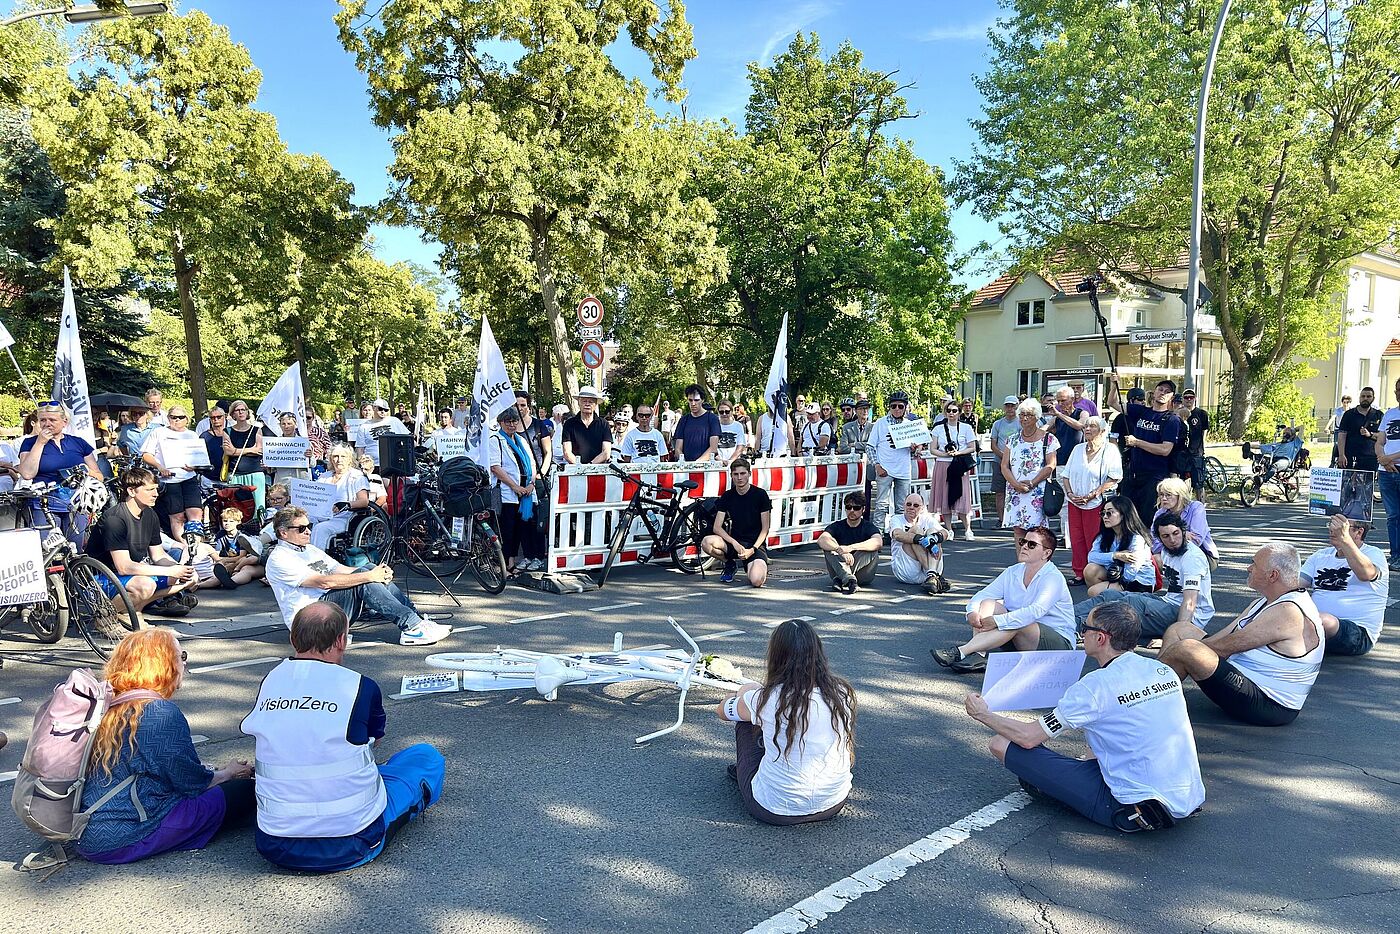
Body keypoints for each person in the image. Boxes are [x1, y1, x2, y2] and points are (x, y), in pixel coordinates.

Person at [963, 601, 1204, 834]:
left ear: (1101, 638)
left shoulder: (1095, 686)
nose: (1082, 633)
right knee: (1099, 737)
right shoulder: (1161, 671)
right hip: (1186, 797)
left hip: (1135, 810)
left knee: (1002, 743)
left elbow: (1028, 738)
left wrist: (983, 714)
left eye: (1085, 628)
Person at [241, 602, 445, 871]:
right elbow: (374, 740)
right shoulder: (360, 686)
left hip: (275, 844)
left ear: (293, 638)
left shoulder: (271, 680)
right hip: (351, 843)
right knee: (426, 757)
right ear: (341, 641)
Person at [76, 629, 255, 864]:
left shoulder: (109, 704)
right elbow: (191, 783)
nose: (185, 664)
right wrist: (229, 773)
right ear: (166, 664)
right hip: (127, 835)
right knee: (246, 791)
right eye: (182, 656)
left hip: (88, 831)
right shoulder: (158, 713)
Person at [1159, 543, 1323, 727]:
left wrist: (1183, 652)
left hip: (1270, 704)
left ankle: (1148, 698)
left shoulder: (1288, 611)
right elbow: (1222, 637)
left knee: (1185, 649)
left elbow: (1223, 648)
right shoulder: (1264, 602)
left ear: (1272, 575)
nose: (1248, 568)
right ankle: (1158, 690)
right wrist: (1188, 648)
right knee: (1180, 629)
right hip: (1246, 681)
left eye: (1254, 564)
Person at [714, 619, 854, 826]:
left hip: (773, 808)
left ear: (776, 656)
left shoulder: (769, 698)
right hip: (833, 802)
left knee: (745, 723)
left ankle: (745, 772)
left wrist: (744, 691)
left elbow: (722, 711)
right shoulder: (841, 692)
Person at [264, 507, 452, 645]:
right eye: (301, 528)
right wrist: (369, 576)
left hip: (328, 609)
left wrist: (378, 572)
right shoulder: (279, 558)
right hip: (309, 623)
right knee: (364, 577)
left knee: (368, 568)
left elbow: (341, 570)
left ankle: (417, 619)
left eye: (309, 526)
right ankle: (412, 627)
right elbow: (324, 582)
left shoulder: (309, 549)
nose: (309, 531)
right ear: (283, 533)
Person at [931, 526, 1075, 674]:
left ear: (1046, 553)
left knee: (1019, 620)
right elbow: (983, 594)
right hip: (1020, 638)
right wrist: (972, 612)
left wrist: (998, 621)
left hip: (1059, 647)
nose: (1024, 546)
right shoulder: (1013, 572)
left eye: (1031, 544)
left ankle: (961, 651)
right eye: (1023, 542)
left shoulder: (1053, 578)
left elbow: (1035, 611)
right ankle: (979, 655)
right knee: (987, 603)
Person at [1074, 512, 1215, 643]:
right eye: (1166, 536)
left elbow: (1190, 602)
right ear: (1160, 538)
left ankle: (1077, 628)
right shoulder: (1168, 551)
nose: (1172, 540)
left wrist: (1177, 636)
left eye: (1176, 533)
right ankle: (1065, 617)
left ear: (1184, 532)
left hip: (1191, 617)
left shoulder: (1192, 558)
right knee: (1109, 595)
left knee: (1131, 602)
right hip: (1169, 603)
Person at [86, 467, 198, 616]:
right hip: (101, 577)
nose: (156, 494)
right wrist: (169, 570)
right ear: (132, 491)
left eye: (156, 489)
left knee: (189, 579)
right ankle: (104, 616)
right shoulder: (115, 519)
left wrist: (181, 569)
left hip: (131, 574)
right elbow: (123, 567)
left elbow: (158, 555)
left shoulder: (150, 514)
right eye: (149, 490)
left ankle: (132, 610)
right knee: (146, 586)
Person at [1302, 514, 1387, 656]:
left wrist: (1345, 540)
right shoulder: (1320, 555)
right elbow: (1294, 585)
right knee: (1265, 605)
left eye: (1340, 526)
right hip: (1314, 624)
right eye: (1331, 524)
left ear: (1358, 532)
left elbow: (1366, 574)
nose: (1332, 530)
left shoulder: (1373, 554)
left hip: (1357, 633)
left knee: (1324, 621)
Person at [1107, 373, 1182, 527]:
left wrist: (1137, 442)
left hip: (1154, 477)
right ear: (1153, 392)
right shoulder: (1142, 411)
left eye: (1167, 392)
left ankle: (1149, 549)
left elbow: (1165, 449)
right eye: (1160, 389)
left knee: (1147, 518)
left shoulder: (1171, 419)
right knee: (1126, 516)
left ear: (1171, 397)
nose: (1163, 393)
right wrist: (1114, 384)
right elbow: (1113, 402)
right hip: (1133, 474)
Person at [16, 402, 104, 525]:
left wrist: (84, 471)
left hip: (76, 505)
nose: (47, 424)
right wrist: (40, 443)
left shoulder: (78, 443)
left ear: (64, 422)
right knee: (47, 543)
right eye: (43, 420)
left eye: (52, 420)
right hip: (44, 506)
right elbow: (27, 473)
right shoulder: (29, 443)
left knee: (75, 543)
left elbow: (99, 476)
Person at [1062, 416, 1122, 585]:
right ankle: (1079, 572)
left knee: (1094, 536)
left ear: (1102, 431)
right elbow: (1066, 475)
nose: (1087, 429)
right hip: (1075, 501)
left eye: (1092, 427)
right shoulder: (1077, 449)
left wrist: (1093, 494)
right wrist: (1070, 493)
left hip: (1097, 502)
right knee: (1076, 537)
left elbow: (1114, 477)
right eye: (1086, 426)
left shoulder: (1110, 450)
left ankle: (1095, 570)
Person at [701, 457, 771, 586]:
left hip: (755, 545)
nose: (739, 477)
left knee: (756, 581)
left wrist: (753, 549)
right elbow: (717, 527)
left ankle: (753, 565)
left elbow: (765, 529)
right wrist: (734, 543)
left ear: (749, 474)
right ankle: (729, 563)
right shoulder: (727, 496)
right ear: (731, 476)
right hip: (734, 543)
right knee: (707, 542)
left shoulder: (760, 495)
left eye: (743, 473)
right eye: (736, 474)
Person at [488, 407, 541, 574]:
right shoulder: (495, 439)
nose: (512, 424)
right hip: (507, 493)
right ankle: (507, 564)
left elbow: (532, 464)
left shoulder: (521, 440)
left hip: (525, 492)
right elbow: (495, 467)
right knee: (507, 530)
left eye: (514, 421)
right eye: (508, 421)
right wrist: (514, 486)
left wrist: (531, 484)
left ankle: (512, 561)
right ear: (500, 422)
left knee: (520, 529)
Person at [1001, 398, 1059, 548]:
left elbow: (1051, 465)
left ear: (1037, 417)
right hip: (1015, 490)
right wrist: (1015, 484)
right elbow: (1004, 466)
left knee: (1037, 532)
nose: (1024, 418)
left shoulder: (1048, 438)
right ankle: (1022, 565)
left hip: (1037, 491)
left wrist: (1033, 482)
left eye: (1029, 415)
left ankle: (1037, 564)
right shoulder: (1012, 439)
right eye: (1021, 414)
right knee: (1018, 530)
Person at [868, 390, 923, 533]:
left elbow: (916, 450)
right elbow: (870, 447)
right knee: (881, 505)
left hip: (903, 470)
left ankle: (900, 534)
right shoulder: (880, 423)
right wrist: (877, 465)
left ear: (905, 407)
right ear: (889, 407)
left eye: (900, 406)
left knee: (902, 506)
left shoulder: (909, 424)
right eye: (894, 406)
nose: (897, 409)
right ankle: (878, 535)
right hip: (885, 469)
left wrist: (914, 448)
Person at [1083, 496, 1155, 597]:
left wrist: (1115, 581)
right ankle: (1109, 605)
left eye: (1109, 513)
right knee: (1090, 569)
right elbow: (1091, 557)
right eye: (1103, 513)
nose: (1105, 517)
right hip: (1117, 575)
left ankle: (1112, 605)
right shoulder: (1104, 536)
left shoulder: (1136, 538)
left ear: (1123, 514)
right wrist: (1115, 555)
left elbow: (1131, 573)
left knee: (1094, 592)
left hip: (1137, 582)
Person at [817, 492, 884, 594]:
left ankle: (842, 579)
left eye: (856, 508)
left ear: (863, 509)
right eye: (848, 507)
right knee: (829, 548)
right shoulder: (837, 525)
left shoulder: (868, 527)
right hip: (841, 565)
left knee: (872, 549)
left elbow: (878, 542)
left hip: (863, 574)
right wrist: (839, 550)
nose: (852, 510)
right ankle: (850, 580)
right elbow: (821, 539)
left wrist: (851, 548)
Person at [930, 399, 978, 540]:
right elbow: (933, 449)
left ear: (959, 412)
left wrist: (958, 453)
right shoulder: (938, 428)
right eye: (949, 411)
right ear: (945, 412)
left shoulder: (966, 428)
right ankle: (949, 529)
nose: (951, 413)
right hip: (943, 464)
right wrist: (945, 454)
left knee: (962, 497)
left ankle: (968, 529)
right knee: (945, 498)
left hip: (959, 465)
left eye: (954, 411)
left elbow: (972, 446)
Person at [310, 445, 372, 551]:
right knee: (294, 522)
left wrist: (346, 504)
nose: (339, 460)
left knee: (321, 529)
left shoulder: (356, 476)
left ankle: (316, 561)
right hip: (321, 515)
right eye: (335, 456)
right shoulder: (324, 477)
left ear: (349, 459)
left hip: (344, 518)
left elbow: (364, 501)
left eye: (343, 456)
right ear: (330, 459)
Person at [1150, 477, 1218, 569]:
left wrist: (1168, 538)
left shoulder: (1196, 508)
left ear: (1180, 495)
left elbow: (1196, 540)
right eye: (1161, 495)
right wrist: (1183, 535)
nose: (1164, 498)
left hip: (1201, 554)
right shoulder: (1160, 513)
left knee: (1188, 561)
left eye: (1168, 495)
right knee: (1155, 559)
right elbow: (1154, 543)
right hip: (1170, 552)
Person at [888, 492, 948, 593]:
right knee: (916, 530)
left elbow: (945, 533)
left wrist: (933, 538)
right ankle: (933, 575)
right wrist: (920, 539)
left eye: (916, 505)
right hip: (907, 570)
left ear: (922, 508)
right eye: (908, 504)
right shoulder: (896, 519)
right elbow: (897, 535)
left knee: (933, 532)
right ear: (904, 505)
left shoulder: (927, 519)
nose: (911, 507)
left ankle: (931, 575)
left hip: (930, 570)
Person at [1373, 377, 1400, 569]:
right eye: (1397, 390)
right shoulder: (1390, 414)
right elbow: (1380, 441)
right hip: (1386, 472)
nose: (1399, 393)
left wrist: (1390, 458)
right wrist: (1382, 458)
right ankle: (1395, 555)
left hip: (1395, 465)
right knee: (1392, 516)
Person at [224, 400, 266, 514]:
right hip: (236, 474)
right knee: (235, 507)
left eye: (243, 410)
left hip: (255, 473)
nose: (241, 412)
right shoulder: (227, 431)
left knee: (258, 507)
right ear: (233, 414)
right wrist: (250, 450)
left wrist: (236, 451)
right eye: (237, 410)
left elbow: (258, 450)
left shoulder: (256, 429)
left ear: (247, 412)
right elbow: (228, 451)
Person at [988, 396, 1021, 521]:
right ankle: (1002, 520)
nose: (1010, 408)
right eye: (1007, 405)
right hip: (999, 462)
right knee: (1000, 492)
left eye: (1012, 405)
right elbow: (993, 445)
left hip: (1017, 463)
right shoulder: (998, 424)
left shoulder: (1021, 422)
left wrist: (1012, 458)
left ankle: (1016, 519)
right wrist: (1005, 457)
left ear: (1017, 406)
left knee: (1018, 490)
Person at [672, 383, 721, 462]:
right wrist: (684, 462)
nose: (693, 403)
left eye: (696, 400)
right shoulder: (683, 420)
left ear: (702, 400)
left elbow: (713, 448)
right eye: (690, 400)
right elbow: (678, 448)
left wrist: (697, 464)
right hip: (686, 467)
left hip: (706, 467)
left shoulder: (712, 419)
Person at [562, 386, 611, 464]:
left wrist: (590, 466)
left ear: (595, 404)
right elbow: (567, 452)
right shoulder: (569, 424)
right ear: (579, 403)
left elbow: (606, 452)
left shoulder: (604, 424)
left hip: (599, 470)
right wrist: (580, 467)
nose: (587, 404)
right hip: (575, 470)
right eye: (584, 401)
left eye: (591, 402)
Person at [354, 399, 409, 468]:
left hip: (393, 464)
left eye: (386, 410)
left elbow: (408, 439)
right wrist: (362, 465)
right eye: (380, 409)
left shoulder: (394, 421)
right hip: (372, 465)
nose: (383, 411)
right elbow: (360, 448)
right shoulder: (364, 427)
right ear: (374, 408)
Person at [1179, 389, 1210, 497]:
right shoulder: (1178, 414)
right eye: (1186, 397)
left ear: (1195, 399)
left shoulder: (1202, 414)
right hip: (1182, 453)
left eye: (1191, 397)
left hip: (1197, 453)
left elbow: (1204, 432)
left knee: (1199, 484)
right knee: (1184, 484)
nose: (1188, 400)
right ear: (1182, 399)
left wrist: (1202, 448)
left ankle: (1201, 508)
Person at [515, 391, 553, 476]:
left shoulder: (539, 425)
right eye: (516, 405)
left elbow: (548, 452)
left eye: (523, 405)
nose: (519, 408)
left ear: (528, 407)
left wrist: (541, 474)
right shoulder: (507, 427)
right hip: (513, 478)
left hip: (536, 475)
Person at [269, 412, 312, 485]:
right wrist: (267, 464)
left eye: (289, 424)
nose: (286, 426)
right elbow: (271, 469)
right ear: (280, 425)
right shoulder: (274, 444)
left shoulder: (304, 442)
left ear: (295, 425)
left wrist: (310, 457)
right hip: (282, 482)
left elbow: (313, 464)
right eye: (283, 424)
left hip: (301, 482)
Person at [1047, 387, 1087, 465]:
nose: (1060, 404)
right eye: (1058, 401)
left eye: (1063, 400)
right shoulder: (1056, 418)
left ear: (1072, 399)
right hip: (1060, 461)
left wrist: (1059, 414)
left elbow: (1079, 426)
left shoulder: (1082, 413)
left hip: (1077, 460)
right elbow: (1043, 429)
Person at [1328, 394, 1351, 467]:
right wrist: (1327, 427)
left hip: (1348, 431)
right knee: (1336, 445)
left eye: (1347, 402)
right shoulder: (1338, 410)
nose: (1346, 404)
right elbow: (1333, 418)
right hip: (1338, 430)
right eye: (1344, 402)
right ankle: (1333, 461)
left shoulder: (1351, 411)